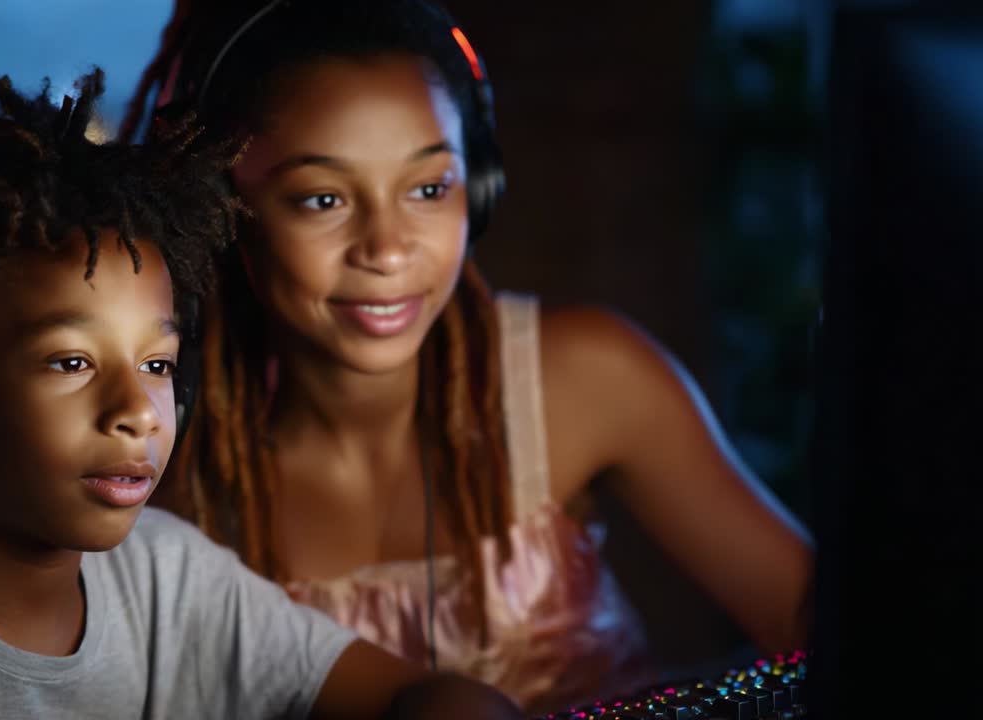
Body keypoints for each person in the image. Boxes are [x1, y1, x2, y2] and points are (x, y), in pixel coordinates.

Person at [0, 68, 522, 720]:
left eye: (159, 366)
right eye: (70, 364)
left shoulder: (171, 579)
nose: (137, 409)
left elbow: (417, 694)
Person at [123, 0, 816, 711]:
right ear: (220, 210)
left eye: (429, 189)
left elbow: (834, 633)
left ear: (478, 188)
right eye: (322, 198)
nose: (388, 250)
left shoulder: (589, 379)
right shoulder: (162, 480)